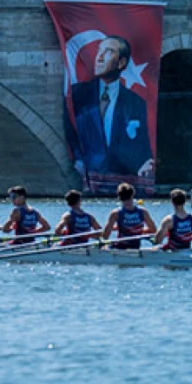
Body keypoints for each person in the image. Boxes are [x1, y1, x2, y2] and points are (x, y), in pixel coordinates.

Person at [67, 35, 154, 179]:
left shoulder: (136, 103)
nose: (99, 57)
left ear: (121, 63)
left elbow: (141, 143)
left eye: (108, 52)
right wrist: (78, 160)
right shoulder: (78, 95)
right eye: (99, 51)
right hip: (86, 173)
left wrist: (146, 163)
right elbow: (70, 130)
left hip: (120, 176)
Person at [101, 183, 157, 249]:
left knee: (103, 246)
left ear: (119, 197)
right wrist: (137, 231)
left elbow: (105, 237)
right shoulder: (143, 212)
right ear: (132, 195)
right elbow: (154, 230)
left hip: (120, 248)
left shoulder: (115, 213)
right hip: (135, 247)